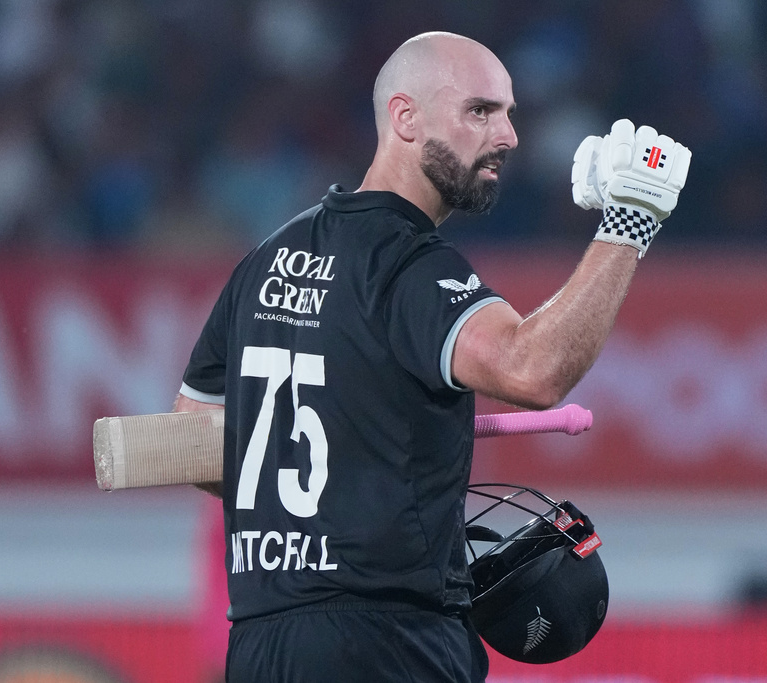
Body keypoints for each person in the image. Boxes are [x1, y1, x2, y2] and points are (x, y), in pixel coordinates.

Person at [174, 31, 689, 683]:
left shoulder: (264, 260)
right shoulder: (409, 265)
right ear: (405, 117)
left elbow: (193, 435)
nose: (508, 136)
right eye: (480, 111)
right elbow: (533, 370)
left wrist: (338, 470)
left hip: (260, 645)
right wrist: (630, 222)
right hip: (389, 644)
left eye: (508, 114)